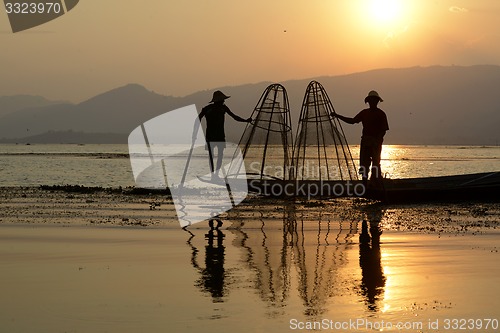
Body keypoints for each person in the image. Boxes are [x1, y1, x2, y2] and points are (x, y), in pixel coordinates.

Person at [332, 90, 389, 186]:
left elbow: (383, 130)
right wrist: (337, 116)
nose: (372, 102)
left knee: (376, 163)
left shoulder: (381, 114)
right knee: (364, 163)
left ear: (377, 101)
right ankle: (365, 184)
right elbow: (352, 121)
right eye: (371, 101)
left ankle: (375, 182)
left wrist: (377, 140)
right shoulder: (364, 113)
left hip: (376, 142)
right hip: (366, 141)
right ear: (368, 101)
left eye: (374, 100)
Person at [198, 90, 252, 180]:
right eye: (222, 100)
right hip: (210, 136)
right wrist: (195, 134)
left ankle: (216, 175)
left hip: (220, 135)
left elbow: (235, 117)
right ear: (218, 100)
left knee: (220, 156)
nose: (224, 101)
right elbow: (198, 119)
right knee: (211, 156)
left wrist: (246, 120)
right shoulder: (207, 109)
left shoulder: (223, 108)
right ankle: (213, 175)